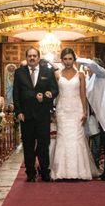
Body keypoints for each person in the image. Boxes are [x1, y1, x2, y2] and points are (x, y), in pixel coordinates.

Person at [51, 48, 99, 180]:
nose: (67, 61)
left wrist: (84, 112)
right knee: (63, 138)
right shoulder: (57, 75)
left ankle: (80, 172)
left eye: (70, 59)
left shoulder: (81, 75)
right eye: (65, 59)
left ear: (74, 59)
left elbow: (83, 95)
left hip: (77, 110)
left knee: (77, 139)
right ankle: (61, 172)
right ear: (62, 60)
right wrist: (53, 110)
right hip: (62, 110)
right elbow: (55, 94)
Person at [13, 47, 58, 182]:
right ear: (26, 57)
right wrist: (18, 111)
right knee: (28, 145)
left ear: (39, 58)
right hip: (26, 115)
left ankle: (45, 172)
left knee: (44, 144)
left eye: (34, 56)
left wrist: (47, 95)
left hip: (43, 114)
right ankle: (30, 173)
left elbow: (54, 90)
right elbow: (16, 94)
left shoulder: (47, 71)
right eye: (29, 56)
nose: (32, 58)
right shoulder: (19, 72)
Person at [77, 57, 105, 180]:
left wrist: (78, 58)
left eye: (90, 67)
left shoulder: (102, 74)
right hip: (101, 115)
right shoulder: (90, 79)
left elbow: (93, 65)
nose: (88, 68)